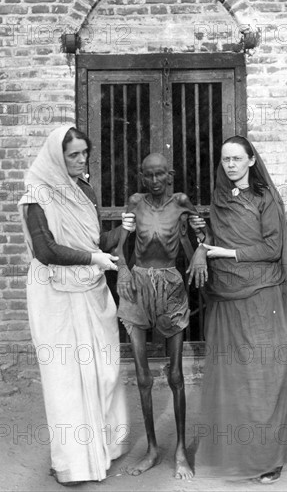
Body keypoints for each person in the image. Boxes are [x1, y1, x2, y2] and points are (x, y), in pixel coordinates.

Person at [18, 126, 135, 486]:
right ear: (57, 155)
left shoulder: (82, 188)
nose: (82, 160)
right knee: (66, 379)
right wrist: (94, 259)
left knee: (104, 371)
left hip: (91, 289)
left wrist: (123, 231)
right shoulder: (36, 196)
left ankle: (101, 449)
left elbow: (94, 241)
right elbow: (46, 250)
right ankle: (71, 463)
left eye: (85, 153)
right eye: (73, 155)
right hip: (54, 295)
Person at [188, 135, 287, 483]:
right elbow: (214, 245)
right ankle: (238, 452)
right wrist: (202, 238)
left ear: (251, 160)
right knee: (234, 377)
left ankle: (269, 458)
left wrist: (228, 253)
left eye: (237, 158)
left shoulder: (265, 198)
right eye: (225, 160)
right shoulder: (219, 200)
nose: (230, 165)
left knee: (264, 376)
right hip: (228, 296)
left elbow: (272, 247)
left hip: (260, 295)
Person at [114, 153, 198, 480]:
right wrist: (121, 268)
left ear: (170, 175)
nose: (154, 181)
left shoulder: (181, 203)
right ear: (141, 175)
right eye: (148, 175)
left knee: (176, 375)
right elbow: (121, 244)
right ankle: (151, 448)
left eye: (160, 174)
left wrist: (201, 254)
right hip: (137, 285)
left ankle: (179, 451)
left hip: (171, 284)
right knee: (143, 374)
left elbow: (199, 238)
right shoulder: (135, 202)